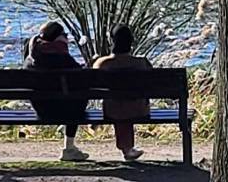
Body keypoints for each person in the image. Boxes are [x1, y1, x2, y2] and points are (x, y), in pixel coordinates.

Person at [24, 20, 89, 162]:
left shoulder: (31, 57)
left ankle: (69, 147)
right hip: (67, 111)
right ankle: (68, 148)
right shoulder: (62, 56)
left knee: (74, 97)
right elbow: (82, 77)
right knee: (78, 98)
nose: (66, 38)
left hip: (41, 109)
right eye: (64, 35)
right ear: (58, 37)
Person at [92, 24, 152, 162]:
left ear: (111, 41)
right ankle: (127, 149)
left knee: (119, 102)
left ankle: (127, 149)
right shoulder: (142, 63)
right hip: (139, 110)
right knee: (127, 100)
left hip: (112, 110)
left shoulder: (101, 64)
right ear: (131, 42)